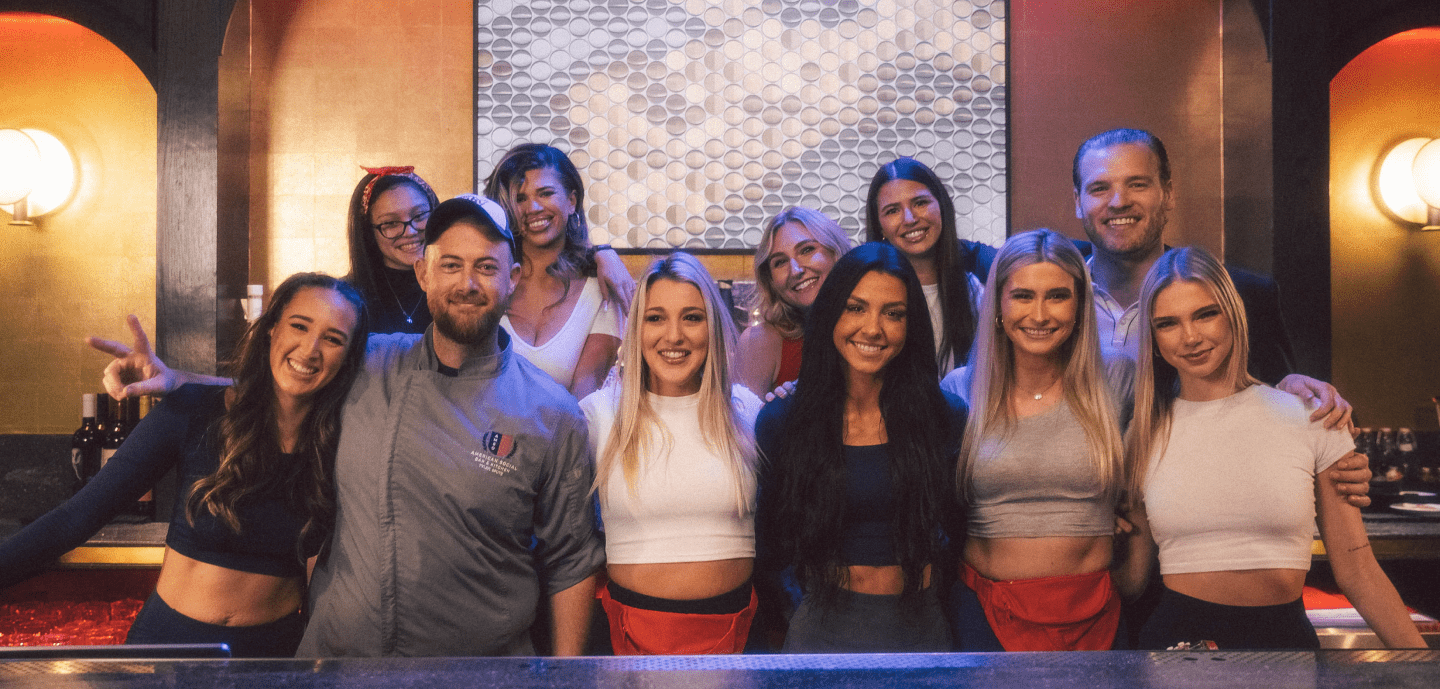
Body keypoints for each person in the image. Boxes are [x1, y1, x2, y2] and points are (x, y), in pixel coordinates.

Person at [96, 195, 605, 657]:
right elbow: (289, 373)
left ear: (512, 277)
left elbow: (571, 563)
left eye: (486, 267)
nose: (466, 283)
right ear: (423, 273)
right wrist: (178, 381)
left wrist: (563, 677)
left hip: (480, 671)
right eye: (450, 264)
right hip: (339, 664)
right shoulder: (370, 361)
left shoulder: (552, 414)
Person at [3, 273, 367, 657]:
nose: (310, 349)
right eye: (299, 326)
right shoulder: (192, 411)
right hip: (166, 649)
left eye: (333, 338)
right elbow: (74, 518)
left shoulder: (344, 441)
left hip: (274, 657)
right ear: (271, 329)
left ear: (348, 357)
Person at [1117, 246, 1424, 650]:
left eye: (1205, 314)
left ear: (1233, 314)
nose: (1190, 337)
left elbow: (1358, 570)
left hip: (1285, 641)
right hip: (1178, 646)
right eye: (1168, 323)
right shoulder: (1143, 431)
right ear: (1153, 339)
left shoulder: (1310, 413)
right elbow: (1132, 581)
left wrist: (1422, 665)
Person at [755, 241, 967, 652]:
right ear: (831, 312)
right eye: (855, 308)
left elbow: (961, 530)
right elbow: (769, 546)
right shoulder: (784, 420)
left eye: (894, 313)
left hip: (921, 631)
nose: (873, 328)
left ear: (911, 325)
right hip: (821, 630)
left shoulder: (945, 417)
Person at [941, 230, 1128, 651]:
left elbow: (1201, 405)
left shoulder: (1118, 378)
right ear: (998, 305)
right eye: (1023, 296)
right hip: (986, 612)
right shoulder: (960, 390)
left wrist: (1293, 383)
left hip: (1097, 614)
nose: (1039, 315)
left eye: (1057, 296)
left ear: (1080, 305)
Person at [581, 252, 764, 655]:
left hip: (740, 638)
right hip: (626, 639)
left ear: (713, 326)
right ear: (636, 329)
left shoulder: (748, 412)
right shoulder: (598, 414)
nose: (674, 336)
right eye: (656, 317)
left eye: (692, 317)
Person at [484, 143, 627, 400]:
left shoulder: (602, 289)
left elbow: (584, 396)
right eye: (520, 198)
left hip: (566, 435)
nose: (533, 208)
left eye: (545, 193)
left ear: (571, 201)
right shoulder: (489, 280)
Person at [865, 157, 996, 373]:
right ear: (879, 227)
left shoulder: (974, 287)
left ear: (942, 206)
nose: (909, 219)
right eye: (892, 211)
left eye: (920, 203)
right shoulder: (865, 291)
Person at [737, 207, 853, 396]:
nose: (795, 270)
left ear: (835, 252)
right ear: (771, 281)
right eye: (780, 262)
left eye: (807, 250)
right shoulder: (759, 342)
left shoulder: (870, 328)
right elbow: (739, 425)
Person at [345, 166, 441, 334]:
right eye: (390, 223)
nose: (410, 231)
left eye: (419, 216)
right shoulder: (346, 299)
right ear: (368, 232)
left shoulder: (456, 287)